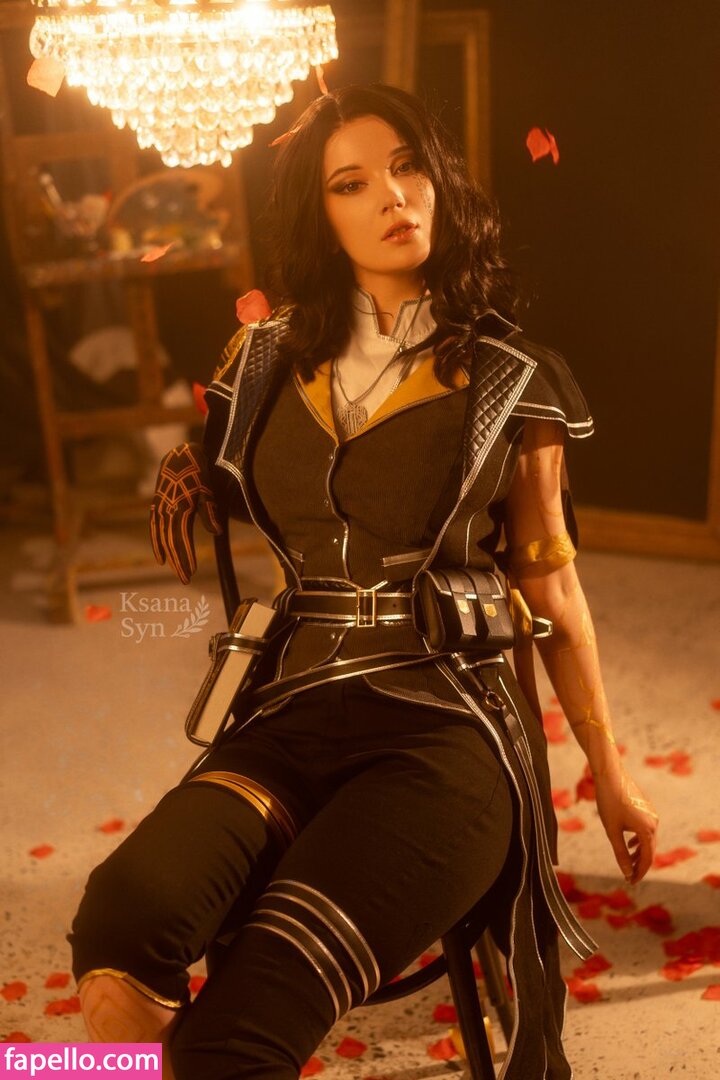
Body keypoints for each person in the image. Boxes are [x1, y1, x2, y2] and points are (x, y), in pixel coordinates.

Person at [69, 84, 658, 1079]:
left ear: (441, 182)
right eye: (352, 183)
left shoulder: (513, 375)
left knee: (236, 1038)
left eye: (409, 167)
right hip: (292, 710)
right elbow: (237, 467)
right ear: (321, 213)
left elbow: (553, 592)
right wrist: (196, 464)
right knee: (122, 928)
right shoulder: (264, 359)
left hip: (446, 730)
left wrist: (610, 773)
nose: (393, 196)